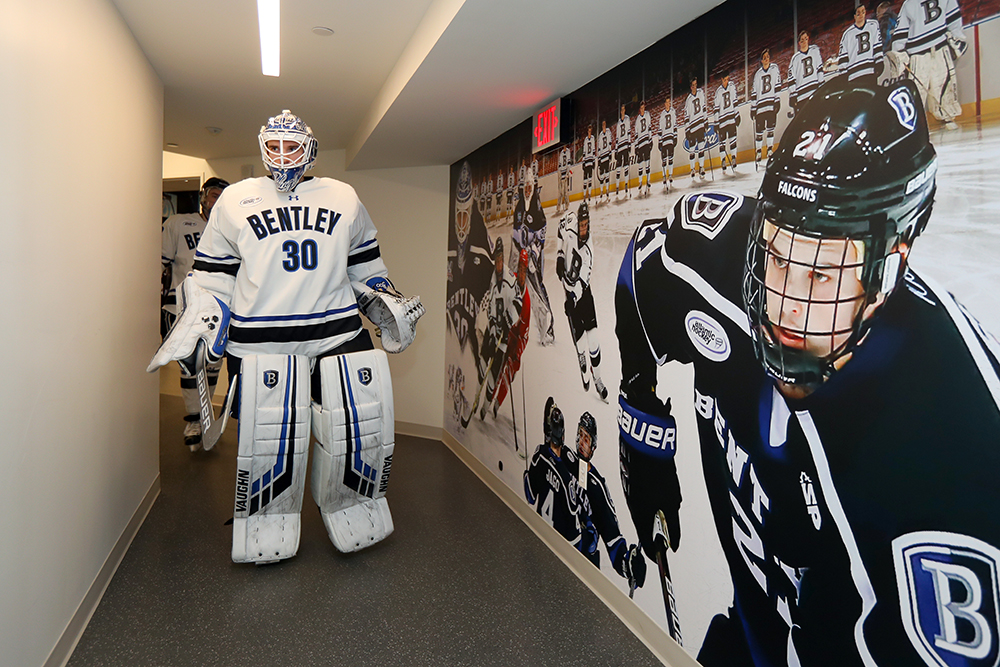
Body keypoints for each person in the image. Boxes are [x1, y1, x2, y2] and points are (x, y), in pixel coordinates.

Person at [615, 78, 1000, 666]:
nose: (785, 305)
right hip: (748, 636)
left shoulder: (958, 439)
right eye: (776, 254)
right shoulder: (717, 260)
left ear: (889, 265)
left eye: (821, 273)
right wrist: (641, 429)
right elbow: (645, 269)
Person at [148, 110, 425, 564]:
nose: (281, 156)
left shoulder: (343, 196)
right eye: (272, 146)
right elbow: (213, 277)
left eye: (290, 146)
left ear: (309, 148)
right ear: (262, 147)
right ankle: (264, 519)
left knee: (360, 427)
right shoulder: (234, 200)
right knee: (271, 439)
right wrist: (200, 325)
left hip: (338, 331)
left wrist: (387, 302)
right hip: (261, 339)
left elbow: (367, 267)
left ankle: (354, 506)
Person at [160, 176, 229, 451]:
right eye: (213, 195)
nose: (217, 201)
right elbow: (161, 261)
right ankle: (193, 420)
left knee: (212, 366)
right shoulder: (178, 223)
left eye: (222, 196)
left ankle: (205, 419)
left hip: (220, 306)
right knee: (190, 365)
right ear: (203, 197)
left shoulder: (232, 228)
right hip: (186, 304)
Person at [573, 412, 646, 592]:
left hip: (583, 569)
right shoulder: (567, 463)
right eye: (580, 435)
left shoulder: (597, 486)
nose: (582, 443)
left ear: (594, 446)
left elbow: (613, 539)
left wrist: (627, 564)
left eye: (587, 439)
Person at [447, 161, 495, 382]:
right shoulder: (448, 239)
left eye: (466, 215)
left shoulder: (480, 237)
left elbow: (492, 272)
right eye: (458, 216)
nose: (462, 222)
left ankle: (481, 364)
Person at [556, 201, 608, 402]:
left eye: (587, 224)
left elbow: (582, 281)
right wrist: (560, 256)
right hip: (569, 291)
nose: (584, 228)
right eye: (581, 224)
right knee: (580, 343)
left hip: (582, 296)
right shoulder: (569, 223)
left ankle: (599, 379)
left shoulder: (589, 250)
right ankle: (581, 357)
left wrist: (572, 299)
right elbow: (560, 233)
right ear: (577, 222)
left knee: (593, 340)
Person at [891, 0, 966, 130]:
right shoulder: (909, 4)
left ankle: (947, 117)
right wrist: (899, 53)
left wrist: (899, 50)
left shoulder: (908, 4)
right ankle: (914, 124)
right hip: (919, 53)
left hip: (937, 47)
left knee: (944, 83)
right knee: (917, 90)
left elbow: (953, 18)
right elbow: (901, 30)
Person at [524, 399, 585, 546]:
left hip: (538, 534)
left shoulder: (539, 455)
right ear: (563, 435)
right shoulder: (566, 478)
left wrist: (527, 474)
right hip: (557, 548)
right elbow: (575, 538)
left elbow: (530, 497)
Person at [511, 174, 556, 345]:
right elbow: (515, 233)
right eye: (526, 187)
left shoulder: (537, 207)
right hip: (520, 255)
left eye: (531, 187)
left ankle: (548, 328)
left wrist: (533, 254)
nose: (528, 190)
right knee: (517, 291)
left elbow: (541, 234)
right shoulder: (520, 207)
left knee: (538, 290)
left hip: (533, 258)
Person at [750, 49, 781, 168]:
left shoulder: (775, 69)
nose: (766, 59)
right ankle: (758, 152)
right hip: (760, 106)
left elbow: (777, 85)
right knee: (759, 131)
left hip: (771, 103)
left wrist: (777, 100)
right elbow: (754, 92)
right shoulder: (758, 74)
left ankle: (769, 149)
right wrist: (753, 108)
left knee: (770, 128)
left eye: (768, 56)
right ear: (761, 60)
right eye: (764, 57)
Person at [837, 4, 885, 82]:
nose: (861, 15)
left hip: (870, 72)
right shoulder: (847, 34)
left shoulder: (873, 25)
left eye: (863, 12)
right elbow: (843, 59)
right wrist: (844, 76)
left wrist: (879, 62)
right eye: (858, 13)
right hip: (854, 76)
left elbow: (877, 47)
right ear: (854, 16)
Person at [786, 30, 825, 119]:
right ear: (799, 42)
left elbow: (819, 69)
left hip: (814, 91)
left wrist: (821, 85)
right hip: (801, 95)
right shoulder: (795, 59)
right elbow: (791, 79)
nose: (804, 41)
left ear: (808, 39)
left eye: (805, 38)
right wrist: (793, 96)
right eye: (802, 40)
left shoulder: (815, 51)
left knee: (817, 118)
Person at [712, 73, 740, 173]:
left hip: (731, 117)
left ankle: (733, 158)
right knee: (722, 142)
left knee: (733, 139)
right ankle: (723, 160)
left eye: (727, 79)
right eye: (724, 79)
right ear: (721, 79)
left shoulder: (732, 87)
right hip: (722, 120)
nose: (726, 81)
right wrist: (716, 123)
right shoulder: (718, 92)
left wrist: (737, 114)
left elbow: (735, 101)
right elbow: (716, 109)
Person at [685, 78, 708, 180]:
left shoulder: (701, 93)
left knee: (701, 147)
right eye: (693, 85)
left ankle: (701, 167)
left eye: (696, 84)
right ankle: (692, 168)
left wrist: (706, 121)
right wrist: (687, 130)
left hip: (700, 124)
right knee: (692, 149)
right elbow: (686, 116)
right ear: (691, 87)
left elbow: (704, 107)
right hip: (693, 126)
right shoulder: (688, 100)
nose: (695, 86)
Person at [658, 97, 677, 191]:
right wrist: (659, 141)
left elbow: (675, 125)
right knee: (664, 159)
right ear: (664, 104)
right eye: (666, 102)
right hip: (664, 138)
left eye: (669, 102)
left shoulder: (673, 112)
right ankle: (664, 176)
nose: (668, 104)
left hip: (670, 137)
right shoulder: (662, 115)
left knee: (671, 158)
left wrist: (675, 136)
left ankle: (670, 175)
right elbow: (660, 129)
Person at [614, 104, 633, 198]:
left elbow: (629, 132)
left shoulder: (627, 119)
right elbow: (617, 137)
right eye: (621, 110)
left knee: (625, 165)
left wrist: (629, 144)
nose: (622, 111)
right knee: (618, 167)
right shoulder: (618, 122)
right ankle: (617, 187)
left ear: (625, 110)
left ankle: (626, 184)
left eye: (623, 109)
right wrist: (616, 149)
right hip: (620, 147)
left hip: (625, 145)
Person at [597, 119, 614, 202]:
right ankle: (601, 192)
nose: (603, 125)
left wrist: (610, 152)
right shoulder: (600, 135)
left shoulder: (608, 132)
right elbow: (599, 148)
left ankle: (607, 192)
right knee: (602, 176)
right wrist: (599, 158)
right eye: (602, 124)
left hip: (607, 155)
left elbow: (610, 142)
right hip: (602, 157)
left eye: (604, 124)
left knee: (607, 175)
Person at [581, 125, 596, 202]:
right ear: (587, 131)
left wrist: (593, 161)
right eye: (589, 131)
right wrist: (583, 161)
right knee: (585, 180)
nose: (589, 132)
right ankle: (584, 195)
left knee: (590, 178)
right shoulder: (586, 140)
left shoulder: (593, 138)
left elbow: (593, 150)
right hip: (586, 161)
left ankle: (589, 194)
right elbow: (584, 151)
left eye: (590, 131)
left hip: (590, 161)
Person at [558, 143, 572, 213]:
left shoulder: (568, 151)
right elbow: (560, 165)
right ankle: (558, 207)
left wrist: (567, 172)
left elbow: (569, 162)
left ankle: (567, 205)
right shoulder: (561, 153)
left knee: (566, 192)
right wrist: (560, 174)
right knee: (561, 192)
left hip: (565, 173)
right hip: (562, 174)